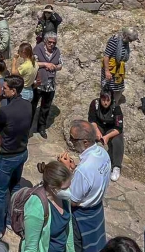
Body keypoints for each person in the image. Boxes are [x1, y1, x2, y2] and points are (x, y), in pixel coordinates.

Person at [58, 120, 111, 252]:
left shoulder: (84, 170)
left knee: (78, 247)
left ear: (86, 142)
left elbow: (73, 201)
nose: (70, 141)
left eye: (73, 139)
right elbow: (91, 179)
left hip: (83, 216)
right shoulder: (102, 153)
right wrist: (73, 168)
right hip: (96, 208)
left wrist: (64, 171)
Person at [0, 76, 31, 238]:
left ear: (14, 91)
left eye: (6, 88)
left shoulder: (5, 111)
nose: (3, 89)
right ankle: (11, 220)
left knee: (0, 193)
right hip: (21, 153)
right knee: (15, 188)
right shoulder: (28, 106)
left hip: (6, 156)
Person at [22, 161, 75, 252]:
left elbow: (68, 229)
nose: (68, 191)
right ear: (52, 187)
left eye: (69, 186)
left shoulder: (64, 198)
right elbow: (31, 248)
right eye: (64, 188)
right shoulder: (36, 208)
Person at [88, 88, 124, 182]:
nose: (105, 102)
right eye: (103, 100)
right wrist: (97, 132)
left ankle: (116, 167)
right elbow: (92, 120)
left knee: (117, 140)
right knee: (88, 131)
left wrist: (107, 137)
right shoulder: (94, 104)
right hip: (98, 126)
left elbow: (119, 128)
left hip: (111, 129)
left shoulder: (116, 107)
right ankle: (88, 158)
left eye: (108, 100)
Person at [32, 32, 63, 139]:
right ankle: (28, 126)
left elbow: (60, 65)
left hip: (50, 83)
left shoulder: (57, 51)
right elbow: (33, 63)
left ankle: (41, 127)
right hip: (38, 82)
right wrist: (45, 64)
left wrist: (54, 66)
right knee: (33, 104)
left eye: (54, 43)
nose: (52, 44)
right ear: (45, 41)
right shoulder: (38, 49)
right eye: (49, 42)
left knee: (46, 107)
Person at [101, 27, 138, 104]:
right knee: (108, 89)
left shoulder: (125, 42)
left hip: (118, 69)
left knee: (119, 89)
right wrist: (107, 71)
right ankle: (106, 106)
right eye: (130, 39)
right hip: (111, 68)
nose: (130, 42)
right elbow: (106, 56)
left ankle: (114, 105)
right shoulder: (114, 40)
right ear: (125, 35)